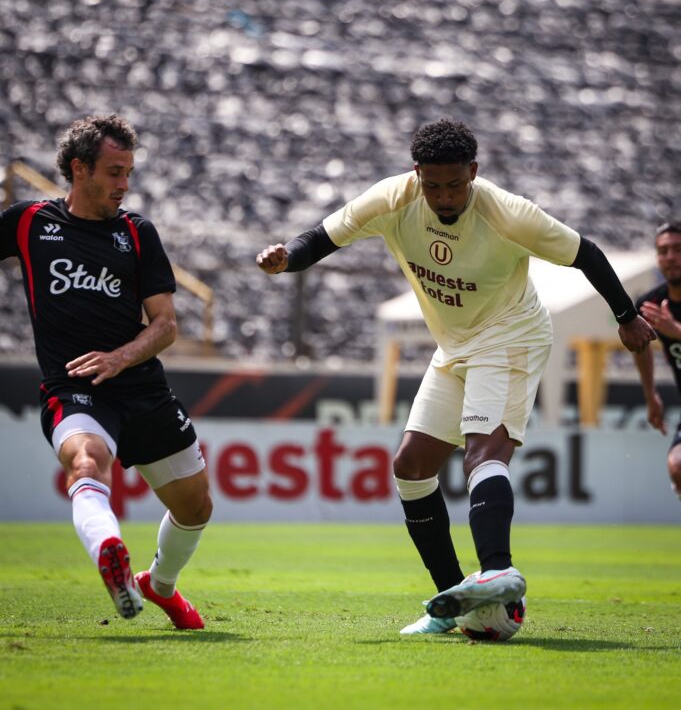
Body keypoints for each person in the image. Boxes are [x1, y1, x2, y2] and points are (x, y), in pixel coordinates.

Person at [256, 117, 655, 634]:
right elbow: (323, 237)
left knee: (482, 452)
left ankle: (497, 571)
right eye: (433, 185)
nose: (444, 197)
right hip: (456, 344)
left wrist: (626, 317)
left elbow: (588, 255)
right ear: (416, 173)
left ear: (474, 171)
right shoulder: (393, 198)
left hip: (512, 334)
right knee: (410, 466)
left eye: (455, 184)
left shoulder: (510, 214)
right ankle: (451, 602)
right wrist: (286, 258)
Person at [0, 115, 212, 629]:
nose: (124, 185)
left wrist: (120, 357)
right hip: (73, 388)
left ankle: (158, 586)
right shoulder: (29, 223)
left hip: (140, 385)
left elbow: (165, 326)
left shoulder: (137, 234)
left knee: (196, 507)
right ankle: (108, 549)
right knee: (87, 464)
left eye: (129, 173)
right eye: (115, 172)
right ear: (79, 169)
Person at [631, 221, 681, 498]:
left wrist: (676, 332)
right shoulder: (651, 304)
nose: (670, 257)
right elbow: (641, 346)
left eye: (677, 249)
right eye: (663, 251)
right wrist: (651, 396)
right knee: (678, 466)